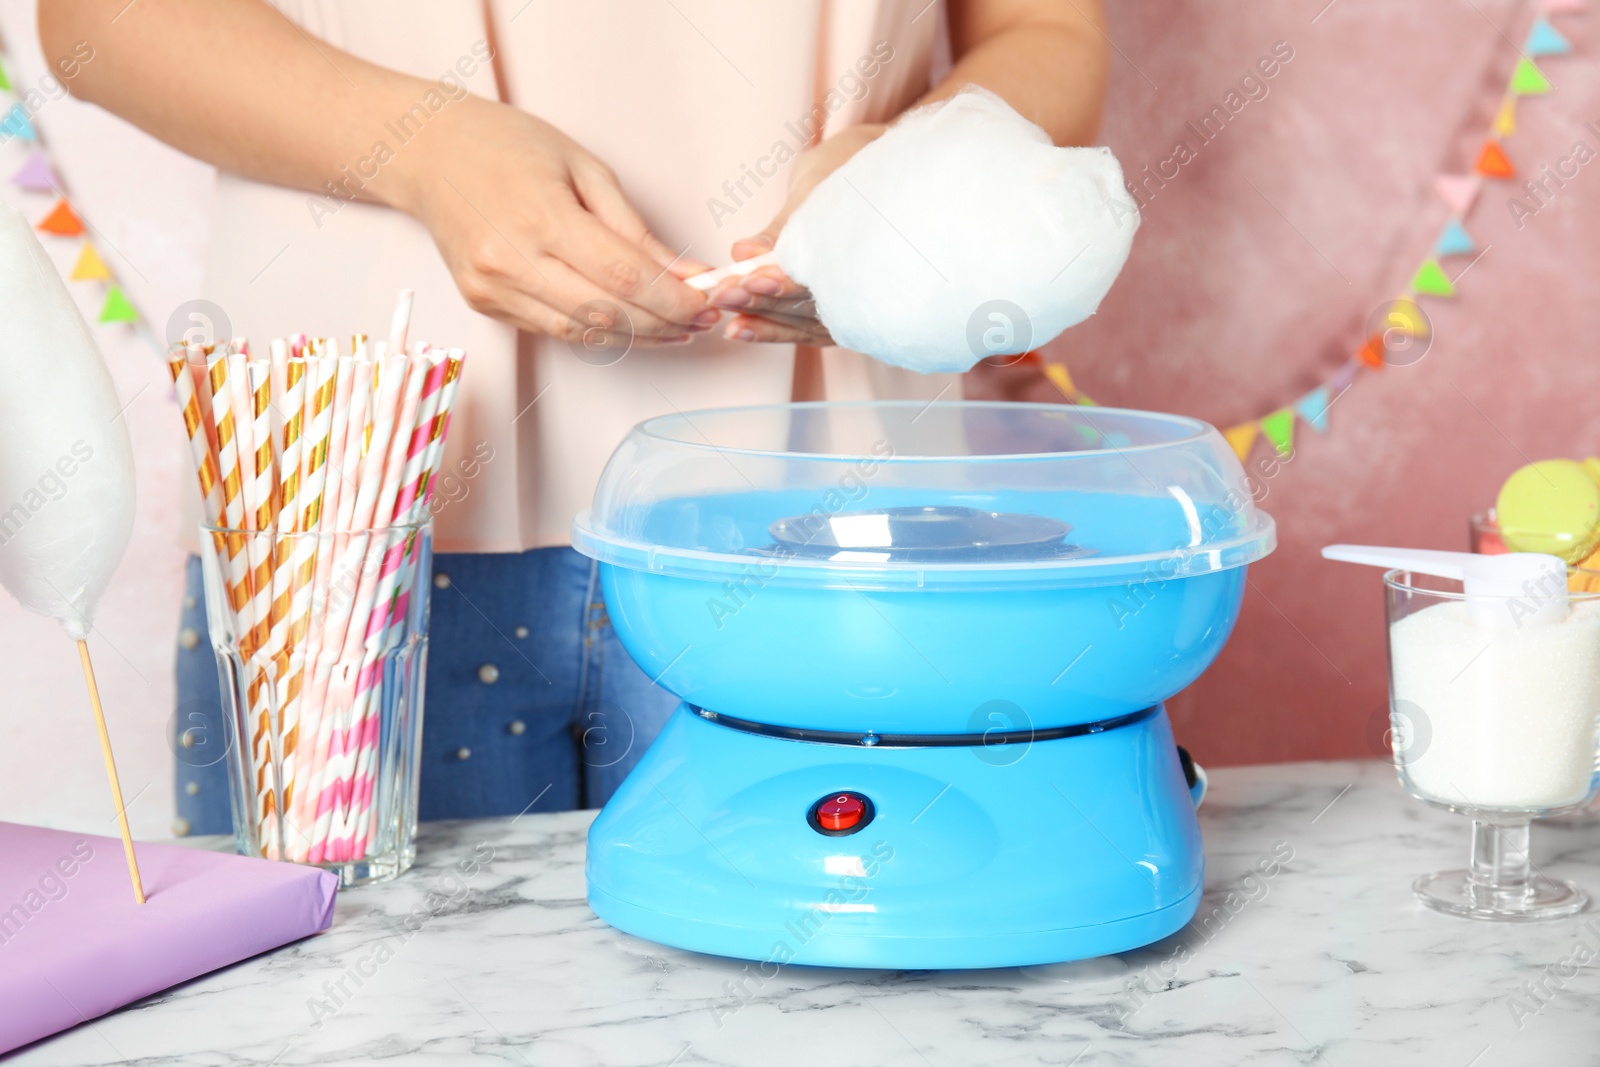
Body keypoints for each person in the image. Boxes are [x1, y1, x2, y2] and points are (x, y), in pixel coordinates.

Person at [41, 0, 1108, 833]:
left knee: (841, 1011)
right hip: (345, 501)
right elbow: (99, 24)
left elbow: (1042, 27)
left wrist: (906, 179)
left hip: (834, 509)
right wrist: (423, 149)